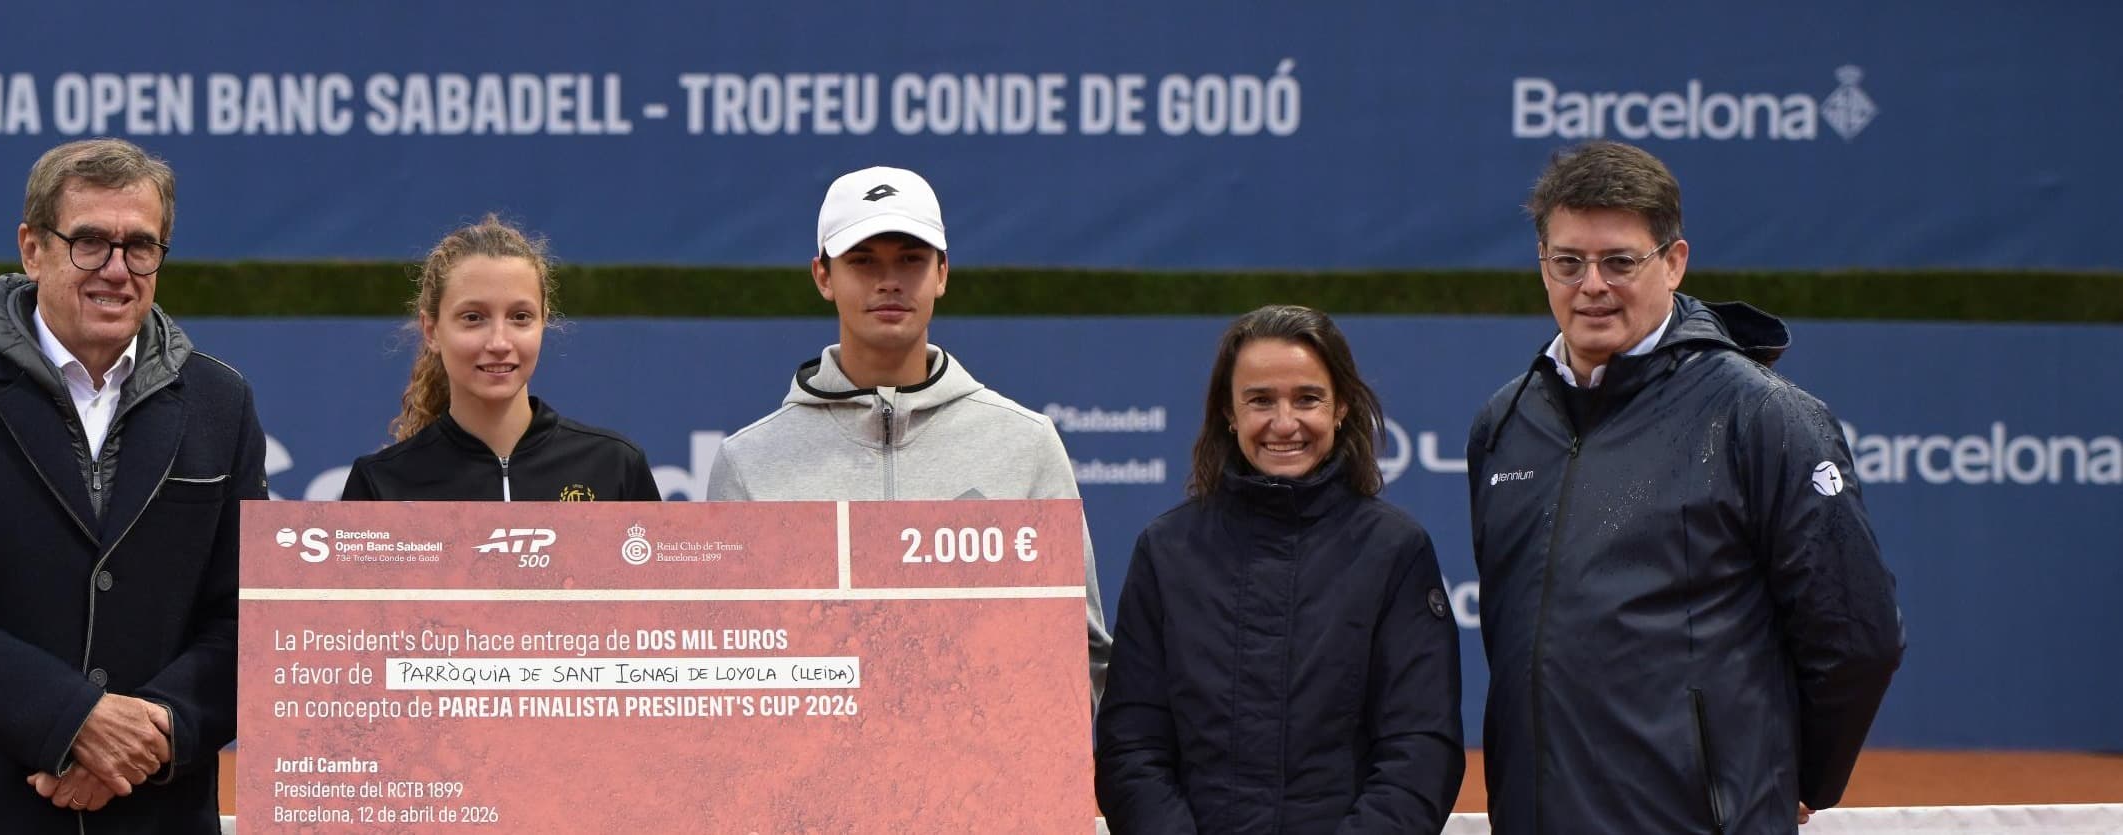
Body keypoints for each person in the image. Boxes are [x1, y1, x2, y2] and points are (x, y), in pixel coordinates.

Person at [1466, 140, 1904, 834]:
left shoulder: (1762, 414)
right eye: (1568, 261)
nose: (1592, 285)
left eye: (1619, 261)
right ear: (1542, 265)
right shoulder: (1505, 421)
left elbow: (1857, 635)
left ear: (1673, 262)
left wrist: (1793, 776)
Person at [0, 138, 262, 832]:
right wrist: (72, 719)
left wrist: (155, 729)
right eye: (90, 242)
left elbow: (246, 616)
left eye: (141, 245)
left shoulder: (223, 403)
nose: (117, 268)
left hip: (156, 808)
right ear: (32, 247)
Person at [706, 165, 1112, 697]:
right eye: (863, 261)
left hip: (986, 775)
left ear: (942, 273)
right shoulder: (749, 461)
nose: (889, 280)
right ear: (823, 276)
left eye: (911, 259)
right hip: (812, 778)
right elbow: (723, 661)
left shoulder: (1025, 443)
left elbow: (1079, 650)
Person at [1096, 305, 1463, 834]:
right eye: (1261, 400)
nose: (1284, 423)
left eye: (1308, 398)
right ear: (1230, 411)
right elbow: (1131, 746)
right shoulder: (1167, 551)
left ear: (1340, 409)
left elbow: (1420, 749)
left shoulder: (1395, 551)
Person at [340, 216, 660, 502]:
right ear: (432, 330)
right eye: (473, 318)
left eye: (520, 317)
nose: (499, 342)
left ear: (543, 321)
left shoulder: (615, 467)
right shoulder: (380, 486)